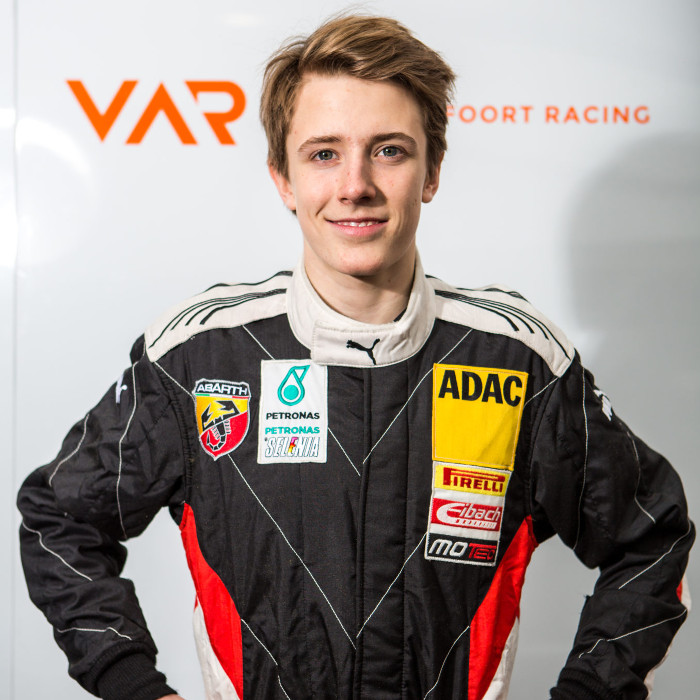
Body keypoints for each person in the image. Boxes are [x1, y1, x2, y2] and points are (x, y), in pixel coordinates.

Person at [17, 14, 693, 700]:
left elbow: (650, 539)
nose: (355, 185)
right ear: (283, 178)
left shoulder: (520, 361)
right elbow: (60, 519)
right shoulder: (198, 357)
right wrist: (134, 686)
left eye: (389, 151)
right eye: (323, 154)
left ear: (432, 171)